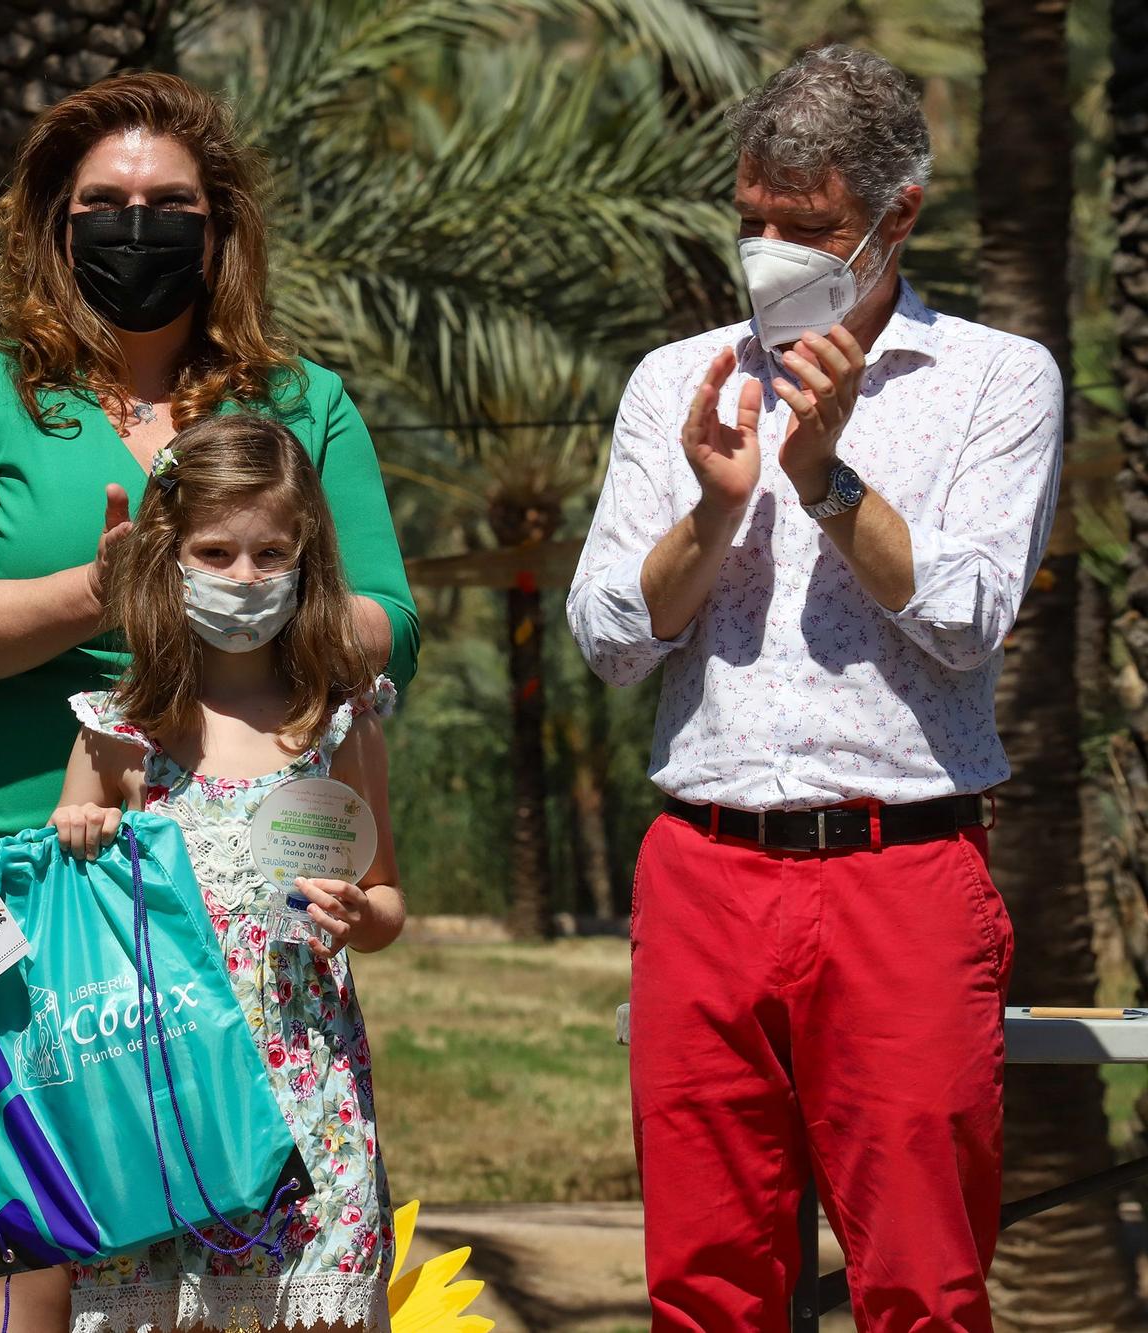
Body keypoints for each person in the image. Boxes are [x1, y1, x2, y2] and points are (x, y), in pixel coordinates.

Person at [0, 71, 419, 1330]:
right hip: (7, 871)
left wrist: (225, 613)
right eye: (103, 203)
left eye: (168, 202)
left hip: (230, 874)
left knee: (228, 1213)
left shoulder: (303, 403)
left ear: (216, 225)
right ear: (51, 227)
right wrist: (103, 594)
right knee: (14, 1234)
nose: (137, 226)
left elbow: (386, 615)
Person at [567, 45, 1063, 1332]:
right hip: (703, 865)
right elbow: (611, 637)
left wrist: (827, 476)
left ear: (897, 213)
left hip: (898, 866)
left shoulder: (997, 381)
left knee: (919, 1279)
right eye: (752, 223)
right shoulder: (672, 382)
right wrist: (711, 516)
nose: (772, 252)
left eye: (809, 227)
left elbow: (966, 619)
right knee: (704, 1282)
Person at [49, 414, 402, 1333]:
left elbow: (391, 897)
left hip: (308, 1095)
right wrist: (77, 828)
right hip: (163, 1105)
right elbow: (60, 892)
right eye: (216, 551)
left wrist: (361, 913)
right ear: (168, 554)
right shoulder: (120, 728)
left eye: (270, 552)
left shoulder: (337, 719)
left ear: (305, 557)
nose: (245, 577)